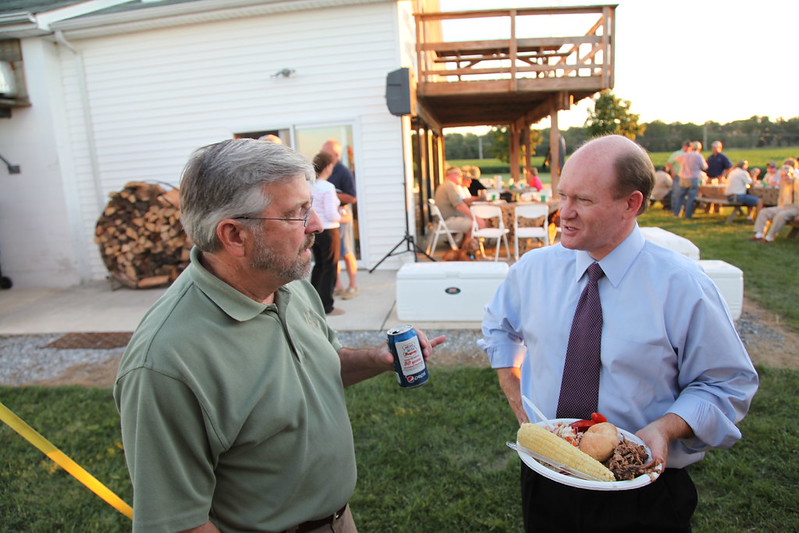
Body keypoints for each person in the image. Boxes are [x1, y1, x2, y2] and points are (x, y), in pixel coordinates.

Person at [114, 138, 445, 533]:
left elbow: (320, 365)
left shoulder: (291, 285)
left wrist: (376, 359)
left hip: (340, 521)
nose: (318, 225)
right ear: (234, 236)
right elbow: (178, 523)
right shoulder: (166, 361)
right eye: (297, 214)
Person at [479, 135, 758, 532]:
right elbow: (499, 326)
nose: (564, 213)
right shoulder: (534, 269)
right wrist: (515, 395)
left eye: (584, 201)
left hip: (641, 490)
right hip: (548, 478)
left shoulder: (681, 285)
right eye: (563, 195)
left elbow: (727, 383)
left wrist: (666, 427)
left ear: (632, 204)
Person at [321, 140, 359, 300]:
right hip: (329, 220)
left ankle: (353, 285)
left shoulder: (344, 172)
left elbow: (352, 197)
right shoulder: (323, 170)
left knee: (347, 252)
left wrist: (330, 195)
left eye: (326, 153)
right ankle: (339, 286)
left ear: (336, 155)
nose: (322, 156)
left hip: (342, 218)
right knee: (334, 255)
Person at [310, 151, 343, 315]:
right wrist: (343, 215)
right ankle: (327, 306)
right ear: (328, 166)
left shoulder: (309, 185)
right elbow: (331, 214)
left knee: (319, 266)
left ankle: (312, 301)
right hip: (329, 230)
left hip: (314, 230)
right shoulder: (327, 187)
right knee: (330, 267)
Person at [434, 166, 486, 249]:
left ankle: (464, 246)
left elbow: (461, 202)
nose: (461, 176)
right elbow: (459, 205)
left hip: (444, 219)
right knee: (475, 224)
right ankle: (467, 250)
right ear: (450, 175)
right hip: (447, 220)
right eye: (458, 174)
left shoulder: (448, 185)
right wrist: (476, 218)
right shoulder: (449, 186)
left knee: (473, 220)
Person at [751, 164, 798, 242]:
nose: (785, 177)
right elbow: (781, 198)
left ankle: (770, 237)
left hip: (795, 208)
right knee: (764, 212)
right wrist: (780, 207)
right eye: (782, 176)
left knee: (781, 215)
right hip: (784, 206)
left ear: (792, 174)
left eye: (787, 175)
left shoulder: (797, 182)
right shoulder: (783, 182)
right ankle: (759, 234)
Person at [672, 141, 708, 218]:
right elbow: (704, 167)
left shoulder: (684, 155)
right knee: (691, 198)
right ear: (700, 148)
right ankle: (688, 215)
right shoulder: (699, 156)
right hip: (694, 178)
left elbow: (676, 159)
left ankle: (677, 214)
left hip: (683, 178)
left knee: (680, 197)